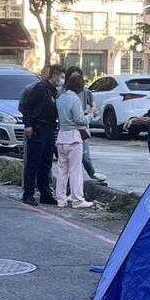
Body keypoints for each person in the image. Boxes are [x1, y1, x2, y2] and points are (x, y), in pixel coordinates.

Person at [22, 64, 64, 206]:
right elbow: (26, 106)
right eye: (61, 77)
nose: (61, 80)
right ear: (54, 75)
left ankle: (45, 193)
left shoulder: (53, 91)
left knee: (46, 163)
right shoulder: (40, 88)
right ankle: (28, 194)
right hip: (38, 128)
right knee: (33, 162)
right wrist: (28, 124)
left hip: (50, 128)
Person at [54, 72, 94, 208]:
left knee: (62, 170)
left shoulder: (60, 98)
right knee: (75, 170)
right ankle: (77, 199)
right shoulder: (75, 99)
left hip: (61, 136)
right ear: (80, 87)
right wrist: (90, 115)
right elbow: (79, 120)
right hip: (74, 138)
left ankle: (61, 199)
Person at [63, 66, 106, 182]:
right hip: (69, 129)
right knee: (68, 161)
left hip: (81, 129)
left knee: (84, 155)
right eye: (73, 78)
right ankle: (69, 185)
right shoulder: (63, 93)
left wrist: (90, 112)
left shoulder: (86, 92)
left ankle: (91, 173)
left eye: (78, 77)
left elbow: (93, 107)